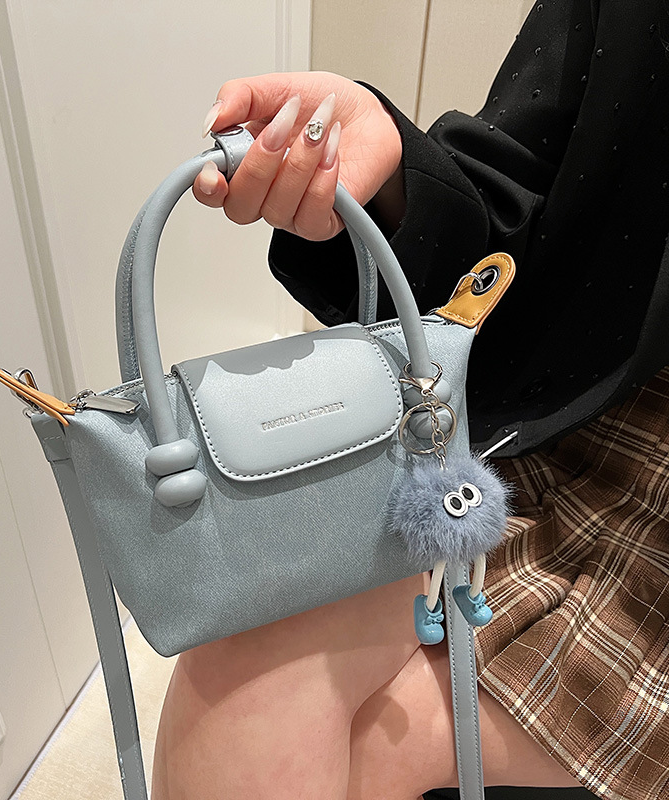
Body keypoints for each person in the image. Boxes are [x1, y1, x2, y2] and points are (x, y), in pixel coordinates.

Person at [151, 1, 669, 798]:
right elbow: (518, 210)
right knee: (247, 668)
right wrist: (393, 175)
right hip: (548, 423)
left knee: (377, 753)